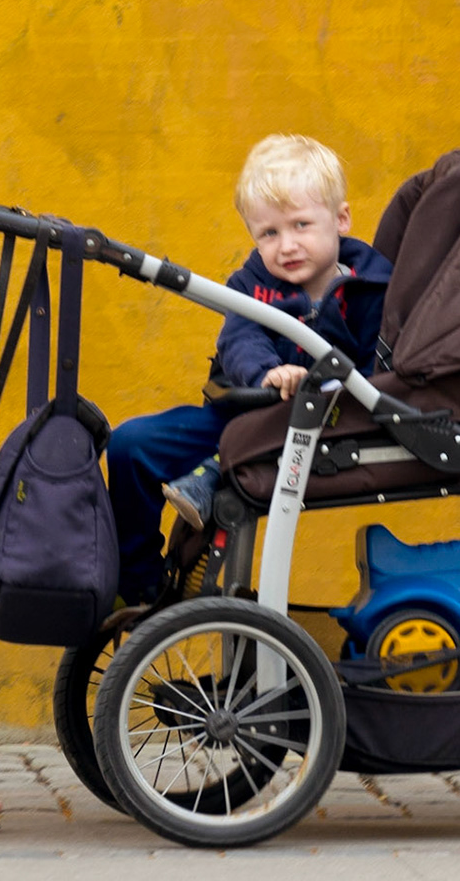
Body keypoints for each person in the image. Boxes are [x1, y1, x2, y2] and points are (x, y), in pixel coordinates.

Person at [107, 135, 392, 604]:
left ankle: (207, 477)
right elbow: (239, 337)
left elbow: (377, 367)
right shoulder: (252, 285)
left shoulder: (371, 288)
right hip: (242, 413)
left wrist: (327, 386)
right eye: (269, 234)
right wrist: (267, 372)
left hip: (324, 429)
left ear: (341, 220)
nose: (287, 246)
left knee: (231, 456)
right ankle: (137, 582)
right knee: (130, 444)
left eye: (301, 225)